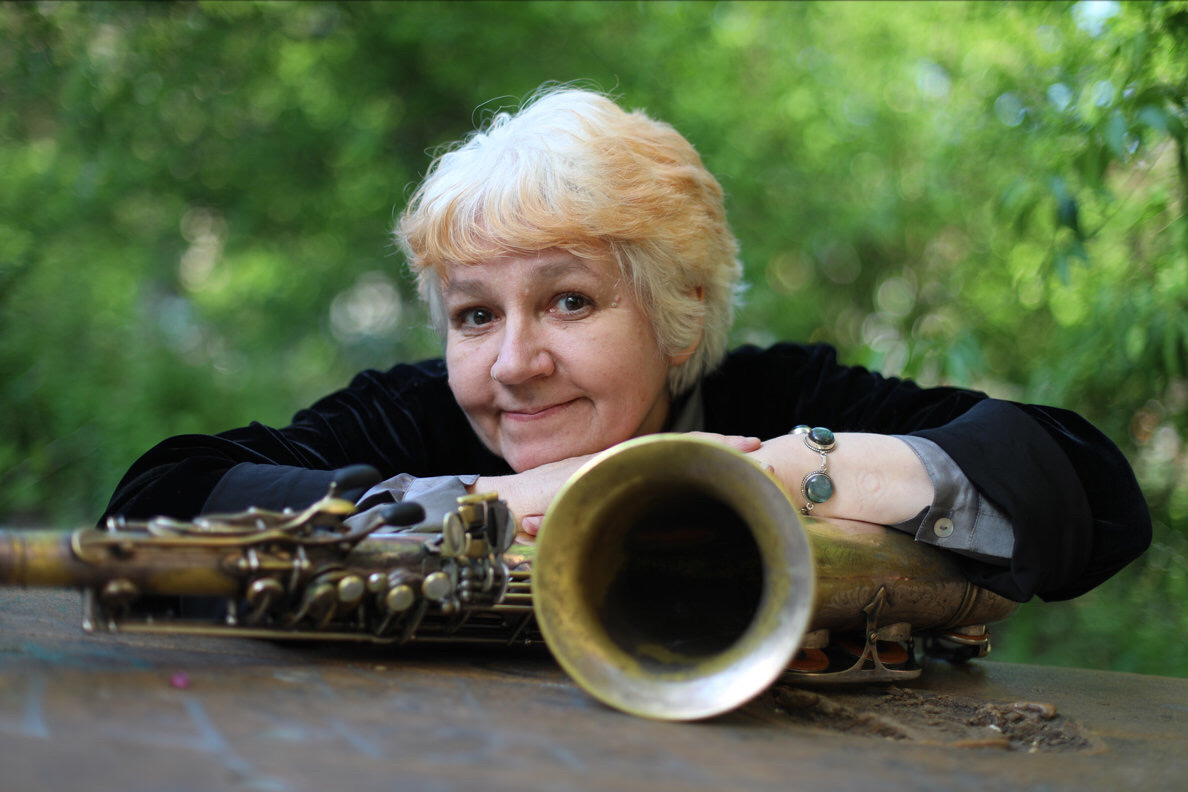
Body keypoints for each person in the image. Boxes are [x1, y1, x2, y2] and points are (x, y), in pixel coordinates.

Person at [103, 86, 1150, 604]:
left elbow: (1094, 493)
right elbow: (151, 505)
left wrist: (786, 474)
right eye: (475, 314)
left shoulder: (779, 392)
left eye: (567, 301)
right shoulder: (416, 410)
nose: (512, 364)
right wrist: (486, 509)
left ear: (679, 311)